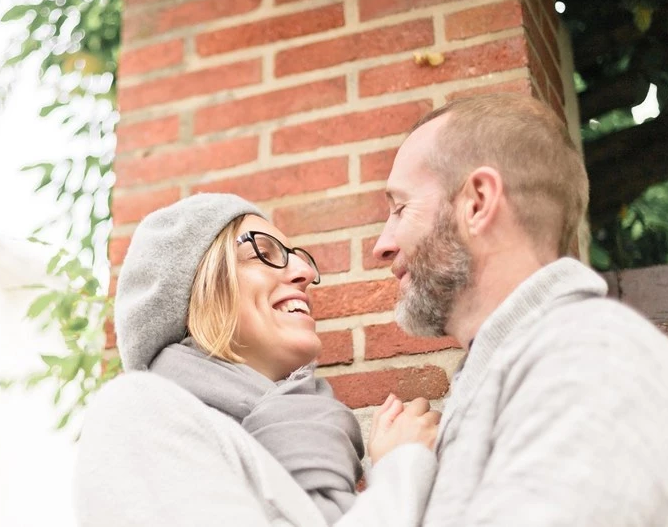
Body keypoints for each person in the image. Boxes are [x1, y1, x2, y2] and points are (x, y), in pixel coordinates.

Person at [371, 93, 668, 526]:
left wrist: (397, 478)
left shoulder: (590, 354)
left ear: (477, 203)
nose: (382, 245)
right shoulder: (521, 367)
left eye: (400, 208)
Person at [75, 193, 441, 527]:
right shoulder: (135, 414)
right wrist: (402, 468)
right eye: (263, 252)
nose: (306, 274)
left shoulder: (315, 437)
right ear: (197, 291)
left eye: (298, 257)